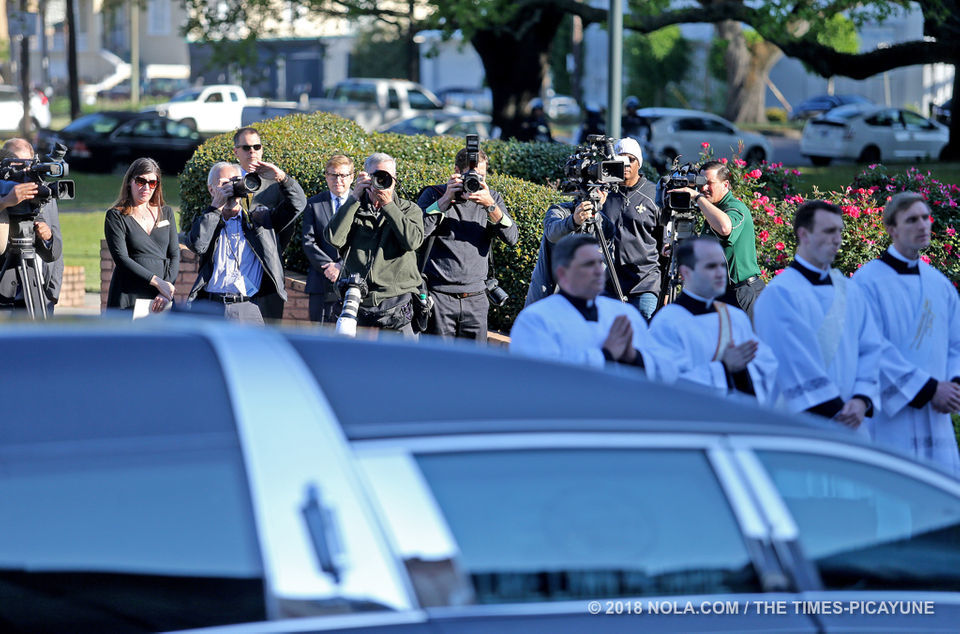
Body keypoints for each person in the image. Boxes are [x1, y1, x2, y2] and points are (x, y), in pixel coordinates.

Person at [852, 192, 960, 474]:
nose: (923, 225)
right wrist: (928, 388)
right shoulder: (867, 281)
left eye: (926, 217)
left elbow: (956, 343)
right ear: (892, 229)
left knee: (942, 502)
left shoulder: (939, 284)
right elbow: (871, 346)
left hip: (937, 413)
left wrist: (953, 386)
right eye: (912, 219)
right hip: (893, 414)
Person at [753, 200, 884, 429]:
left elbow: (871, 347)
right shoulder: (780, 293)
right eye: (829, 231)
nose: (837, 239)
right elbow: (792, 361)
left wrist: (862, 399)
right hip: (801, 423)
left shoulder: (849, 289)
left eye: (840, 231)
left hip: (852, 418)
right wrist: (838, 410)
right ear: (804, 234)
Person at [511, 234, 675, 382]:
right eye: (588, 264)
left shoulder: (624, 313)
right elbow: (539, 380)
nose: (598, 271)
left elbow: (665, 372)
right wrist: (606, 355)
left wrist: (633, 357)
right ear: (563, 273)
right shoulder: (536, 319)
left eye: (600, 263)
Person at [649, 237, 777, 402]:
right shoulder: (668, 322)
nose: (720, 273)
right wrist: (723, 369)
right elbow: (665, 382)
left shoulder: (735, 317)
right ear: (686, 272)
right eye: (711, 266)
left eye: (722, 266)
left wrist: (741, 370)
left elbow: (767, 368)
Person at [417, 145, 518, 340]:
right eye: (473, 175)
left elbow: (512, 237)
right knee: (438, 364)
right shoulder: (434, 194)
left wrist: (491, 207)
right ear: (457, 172)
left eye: (482, 176)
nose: (477, 181)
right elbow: (416, 235)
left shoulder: (492, 199)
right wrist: (445, 200)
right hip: (439, 297)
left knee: (474, 367)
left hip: (476, 299)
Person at [184, 161, 301, 324]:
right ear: (211, 189)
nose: (232, 188)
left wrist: (282, 178)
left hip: (249, 307)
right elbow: (198, 245)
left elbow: (297, 205)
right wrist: (216, 207)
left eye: (236, 181)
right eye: (225, 184)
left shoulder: (260, 220)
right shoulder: (207, 220)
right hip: (212, 307)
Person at [324, 152, 424, 335]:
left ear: (395, 180)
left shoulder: (409, 209)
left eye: (387, 177)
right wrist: (354, 197)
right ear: (366, 177)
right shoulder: (354, 207)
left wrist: (388, 206)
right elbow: (333, 238)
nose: (381, 181)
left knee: (402, 363)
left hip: (396, 302)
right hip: (358, 301)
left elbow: (413, 242)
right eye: (376, 176)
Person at [670, 160, 765, 318]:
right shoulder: (713, 209)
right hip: (721, 293)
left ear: (725, 184)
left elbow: (724, 229)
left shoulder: (735, 208)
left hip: (743, 293)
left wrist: (698, 198)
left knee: (747, 342)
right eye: (701, 183)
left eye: (709, 183)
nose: (704, 188)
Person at [230, 126, 307, 319]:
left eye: (257, 146)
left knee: (267, 338)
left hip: (266, 271)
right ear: (236, 152)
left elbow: (298, 205)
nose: (252, 151)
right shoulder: (226, 178)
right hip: (231, 273)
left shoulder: (274, 182)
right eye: (246, 147)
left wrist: (282, 177)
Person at [599, 137, 663, 320]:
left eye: (631, 159)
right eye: (621, 159)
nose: (625, 164)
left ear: (639, 163)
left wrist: (665, 289)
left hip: (644, 283)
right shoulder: (604, 192)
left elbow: (665, 245)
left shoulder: (654, 194)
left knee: (642, 339)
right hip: (608, 282)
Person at [104, 158, 179, 313]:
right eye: (140, 181)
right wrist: (157, 282)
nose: (146, 187)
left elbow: (174, 254)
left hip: (160, 297)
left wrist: (166, 289)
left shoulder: (166, 213)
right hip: (127, 294)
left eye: (152, 183)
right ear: (129, 182)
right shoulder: (115, 216)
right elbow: (121, 258)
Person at [0, 138, 63, 315]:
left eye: (28, 164)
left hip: (39, 294)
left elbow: (56, 253)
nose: (25, 171)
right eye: (17, 165)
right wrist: (6, 201)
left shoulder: (42, 193)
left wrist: (48, 237)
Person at [524, 194, 614, 306]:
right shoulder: (560, 211)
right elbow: (552, 233)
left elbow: (607, 264)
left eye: (602, 189)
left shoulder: (604, 224)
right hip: (547, 295)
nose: (598, 194)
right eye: (594, 189)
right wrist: (573, 221)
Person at [302, 154, 353, 324]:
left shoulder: (360, 203)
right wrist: (329, 267)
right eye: (333, 175)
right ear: (326, 176)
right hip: (320, 284)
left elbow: (364, 245)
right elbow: (308, 241)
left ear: (351, 177)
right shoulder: (313, 204)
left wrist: (341, 265)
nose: (338, 180)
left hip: (352, 284)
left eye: (343, 175)